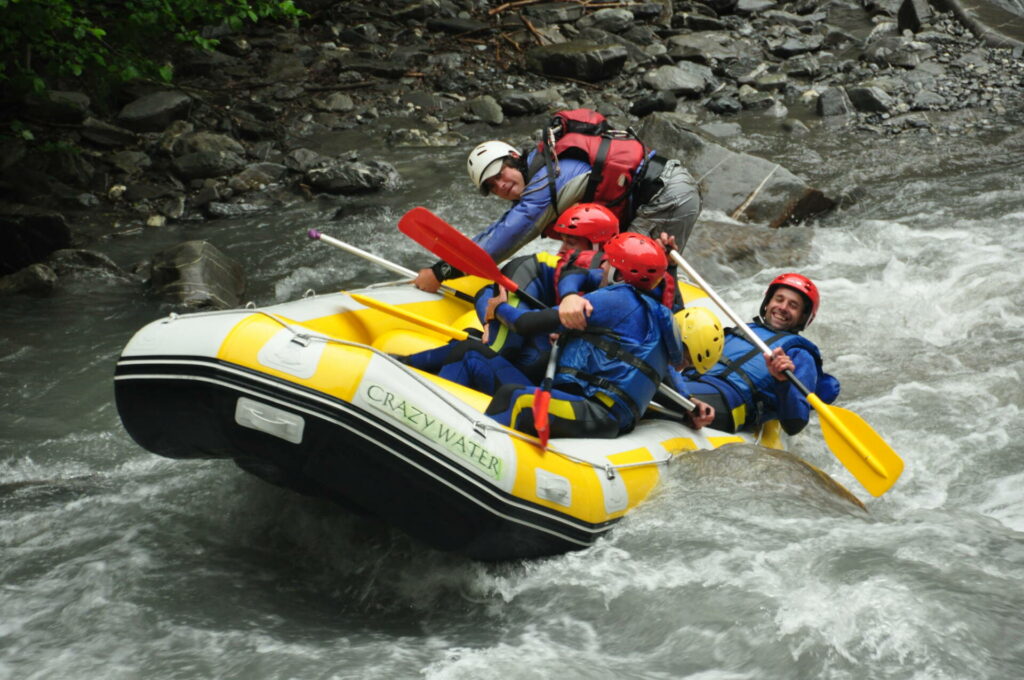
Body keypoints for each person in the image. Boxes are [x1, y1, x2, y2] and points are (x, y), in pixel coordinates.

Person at [414, 121, 701, 293]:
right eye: (491, 186)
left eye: (500, 174)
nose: (500, 185)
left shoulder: (545, 184)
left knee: (624, 276)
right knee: (628, 268)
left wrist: (442, 272)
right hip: (661, 191)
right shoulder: (542, 174)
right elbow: (502, 227)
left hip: (664, 196)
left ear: (515, 159)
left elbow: (506, 238)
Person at [484, 232, 685, 439]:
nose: (602, 267)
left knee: (514, 397)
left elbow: (524, 323)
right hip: (599, 405)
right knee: (473, 357)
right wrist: (688, 402)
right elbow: (576, 273)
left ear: (620, 275)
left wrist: (498, 309)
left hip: (598, 411)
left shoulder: (616, 301)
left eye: (608, 263)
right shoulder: (655, 313)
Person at [400, 203, 618, 391]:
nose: (561, 250)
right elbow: (487, 296)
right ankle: (404, 365)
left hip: (530, 322)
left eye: (570, 243)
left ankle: (411, 363)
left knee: (507, 353)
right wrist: (492, 319)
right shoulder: (561, 269)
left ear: (597, 245)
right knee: (491, 349)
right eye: (563, 241)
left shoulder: (605, 278)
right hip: (520, 301)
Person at [667, 273, 840, 436]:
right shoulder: (742, 329)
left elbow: (795, 424)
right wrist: (671, 270)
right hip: (687, 382)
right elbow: (677, 325)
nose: (783, 307)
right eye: (779, 299)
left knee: (653, 390)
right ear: (767, 302)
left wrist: (783, 382)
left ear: (804, 317)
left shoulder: (800, 354)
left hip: (728, 401)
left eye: (793, 305)